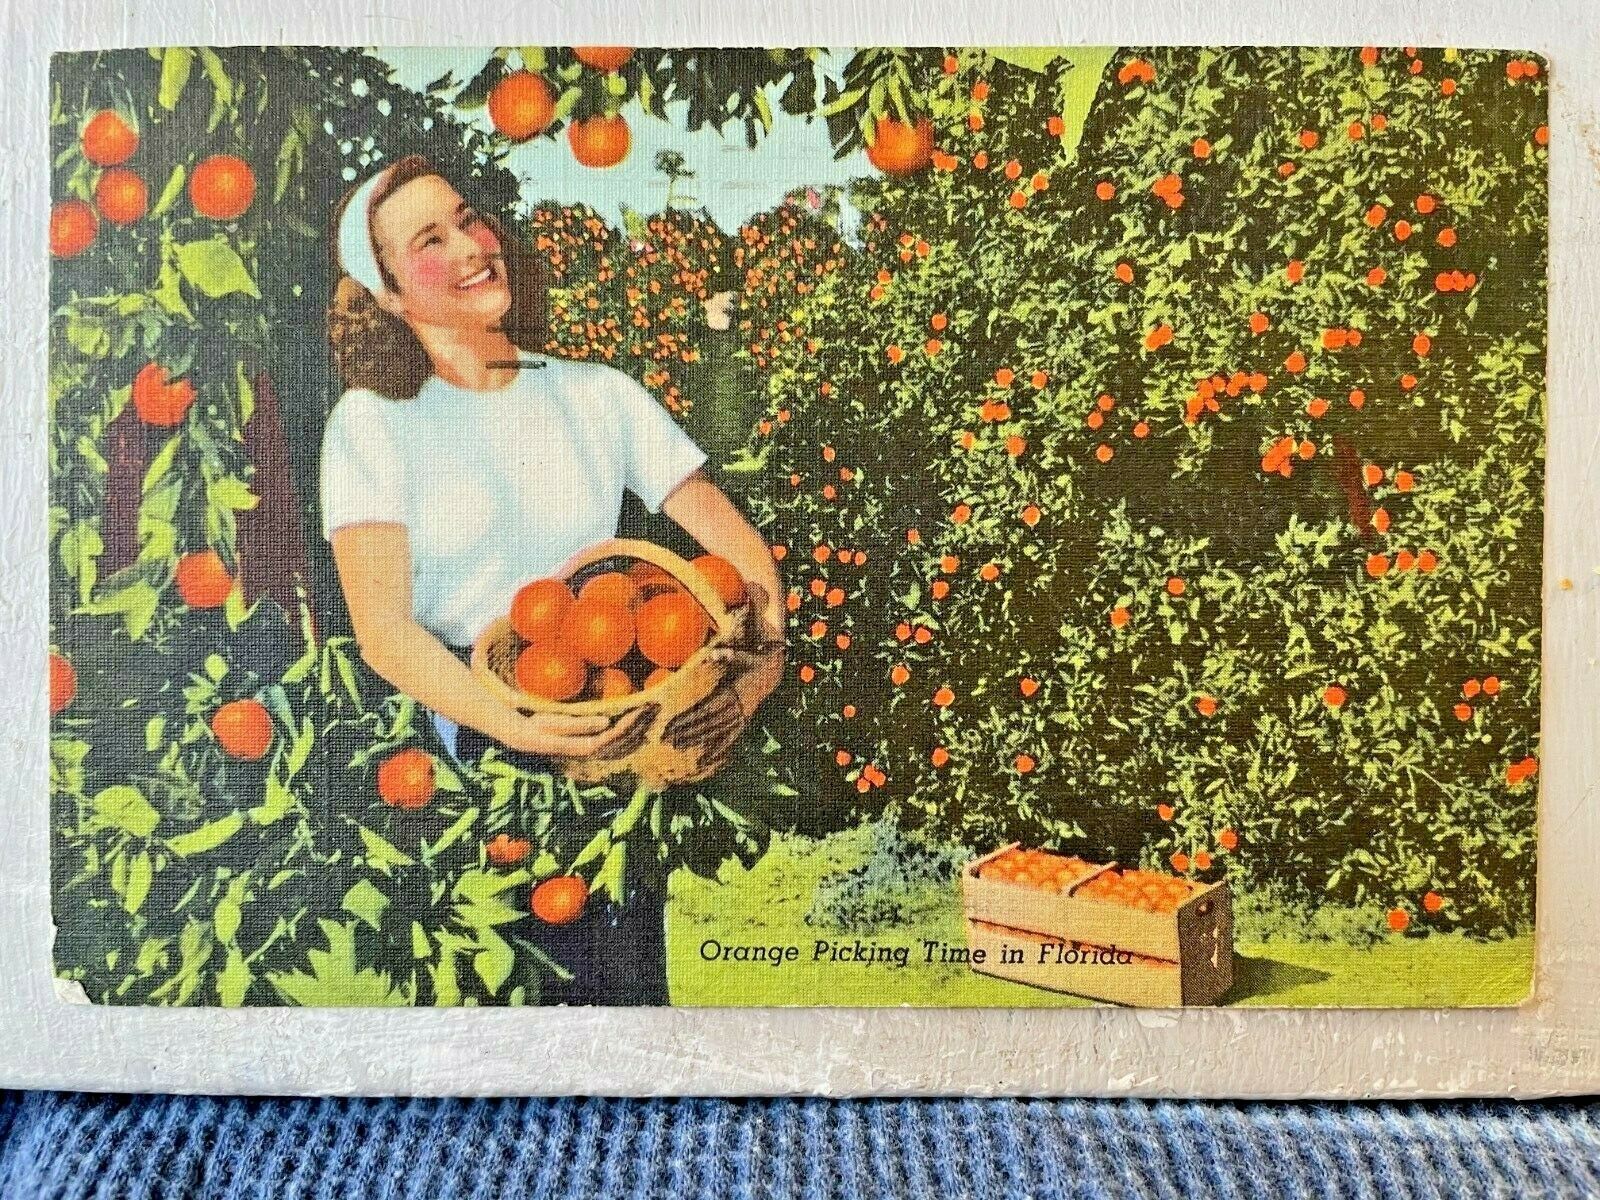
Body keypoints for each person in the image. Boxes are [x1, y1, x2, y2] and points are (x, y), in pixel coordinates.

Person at [319, 155, 785, 1005]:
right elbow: (384, 629)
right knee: (498, 1023)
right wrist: (518, 728)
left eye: (468, 218)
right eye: (431, 239)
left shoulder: (597, 394)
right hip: (465, 752)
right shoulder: (372, 424)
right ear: (387, 294)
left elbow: (748, 560)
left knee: (624, 996)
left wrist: (750, 685)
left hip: (612, 713)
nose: (470, 246)